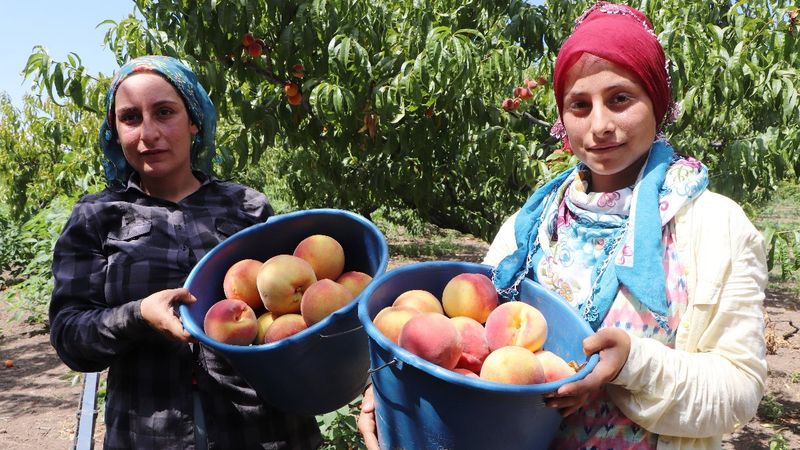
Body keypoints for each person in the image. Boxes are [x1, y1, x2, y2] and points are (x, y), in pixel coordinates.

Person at [358, 2, 767, 449]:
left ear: (656, 100)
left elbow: (740, 390)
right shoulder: (532, 225)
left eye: (620, 99)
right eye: (579, 105)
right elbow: (468, 341)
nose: (600, 126)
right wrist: (394, 381)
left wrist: (634, 365)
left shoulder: (715, 227)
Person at [49, 55, 322, 449]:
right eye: (130, 118)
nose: (148, 133)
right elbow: (69, 333)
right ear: (116, 131)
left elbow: (298, 311)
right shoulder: (96, 216)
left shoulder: (246, 208)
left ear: (194, 120)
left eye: (164, 112)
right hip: (149, 433)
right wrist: (137, 315)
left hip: (263, 430)